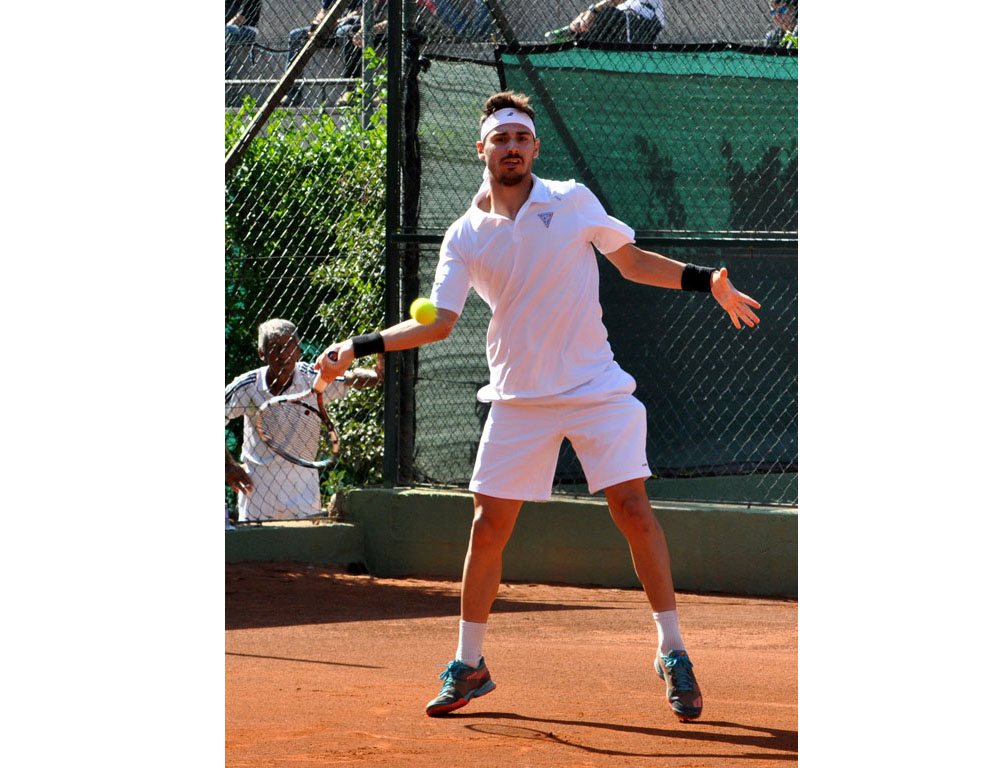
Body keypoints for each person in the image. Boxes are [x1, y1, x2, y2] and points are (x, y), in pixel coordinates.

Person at [313, 91, 761, 722]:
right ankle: (470, 664)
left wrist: (704, 279)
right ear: (482, 149)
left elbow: (631, 262)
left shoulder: (571, 200)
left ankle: (672, 650)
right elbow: (438, 322)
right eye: (501, 139)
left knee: (633, 510)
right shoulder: (464, 235)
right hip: (519, 397)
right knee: (487, 526)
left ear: (535, 148)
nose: (512, 148)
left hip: (594, 387)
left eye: (522, 138)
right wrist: (357, 345)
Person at [225, 319, 383, 522]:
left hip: (304, 483)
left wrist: (378, 374)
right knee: (257, 542)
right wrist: (227, 465)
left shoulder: (314, 377)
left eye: (289, 347)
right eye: (275, 348)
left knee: (306, 541)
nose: (283, 355)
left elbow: (351, 379)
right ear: (262, 353)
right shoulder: (247, 385)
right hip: (257, 484)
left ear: (298, 351)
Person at [284, 0, 389, 107]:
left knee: (344, 31)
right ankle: (291, 92)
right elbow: (323, 12)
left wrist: (361, 28)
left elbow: (364, 14)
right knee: (295, 35)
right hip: (335, 25)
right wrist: (318, 23)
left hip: (354, 26)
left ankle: (351, 90)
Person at [563, 0, 664, 44]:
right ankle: (570, 36)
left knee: (607, 13)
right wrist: (583, 16)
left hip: (644, 19)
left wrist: (592, 11)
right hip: (622, 15)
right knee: (598, 17)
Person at [225, 0, 262, 79]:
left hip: (247, 29)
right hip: (230, 28)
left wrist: (225, 27)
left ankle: (225, 78)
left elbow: (241, 18)